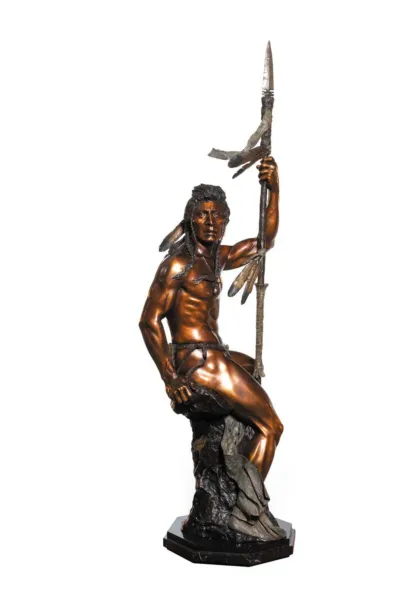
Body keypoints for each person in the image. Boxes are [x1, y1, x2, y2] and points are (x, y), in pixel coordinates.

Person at [139, 157, 283, 480]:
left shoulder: (217, 258)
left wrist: (274, 189)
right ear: (190, 219)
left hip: (215, 354)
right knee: (272, 426)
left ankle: (230, 466)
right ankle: (245, 501)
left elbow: (265, 242)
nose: (210, 222)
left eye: (217, 215)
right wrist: (170, 378)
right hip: (196, 359)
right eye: (203, 214)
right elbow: (149, 321)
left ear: (225, 221)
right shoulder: (178, 265)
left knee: (253, 368)